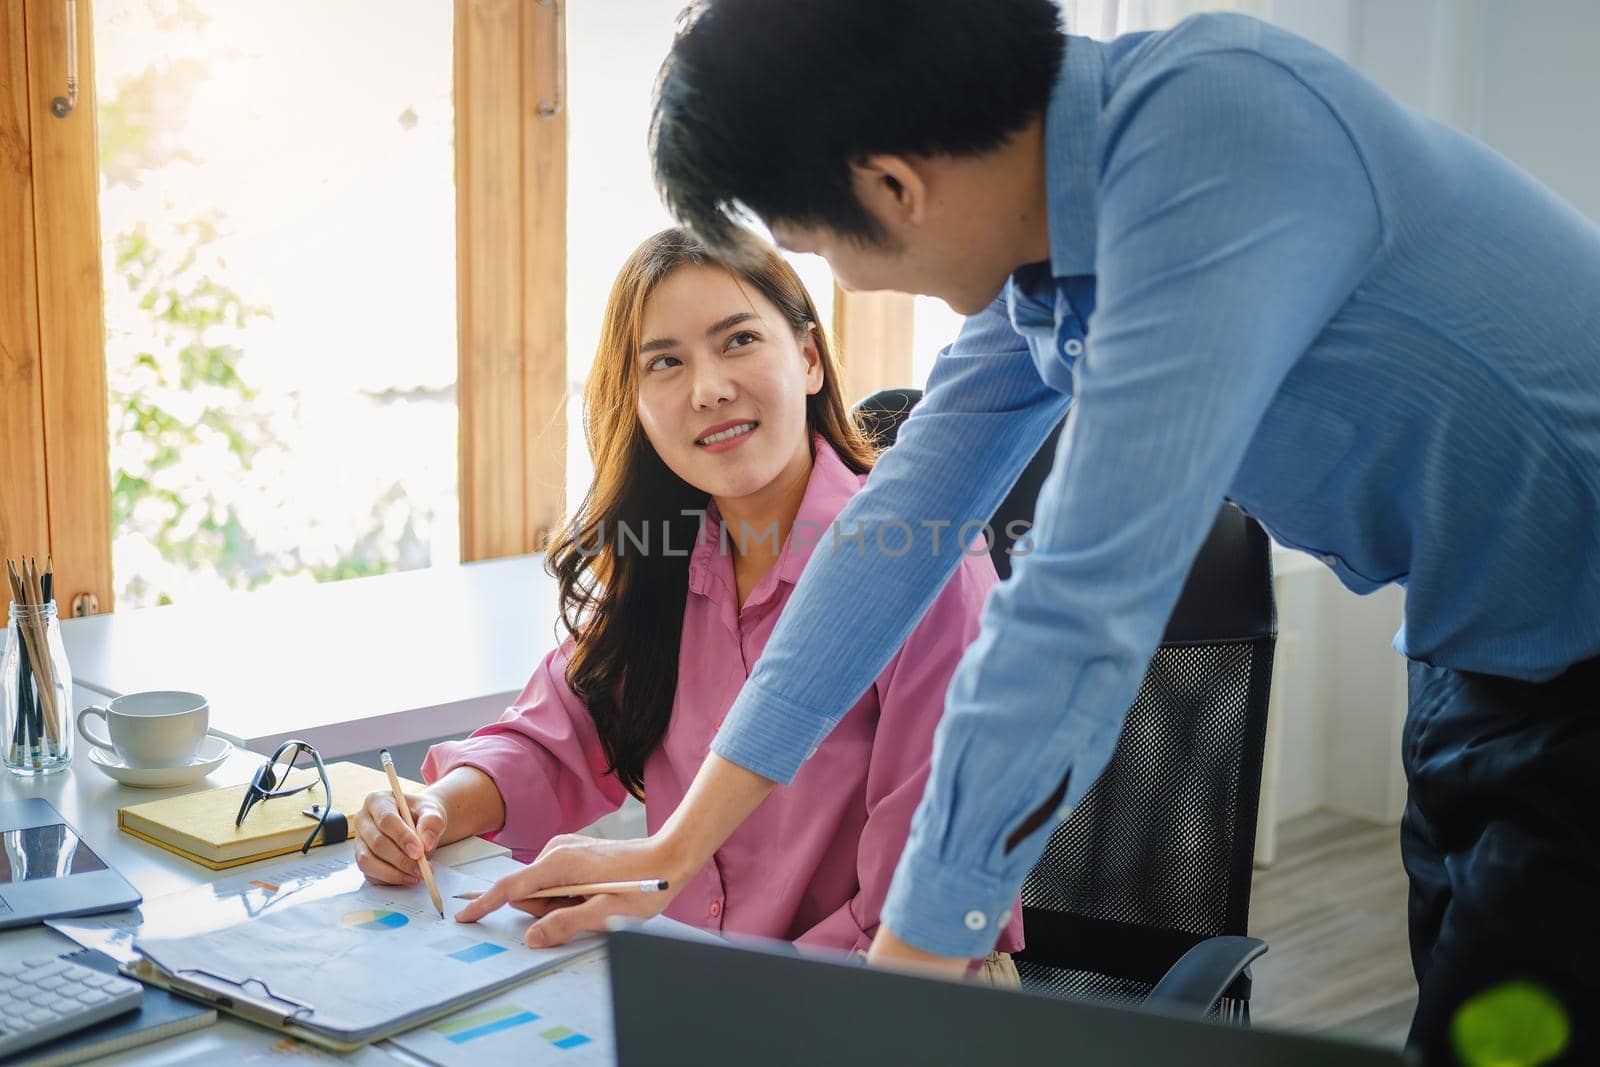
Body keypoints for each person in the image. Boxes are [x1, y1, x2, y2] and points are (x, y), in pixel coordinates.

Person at [458, 2, 1600, 1062]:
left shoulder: (1214, 152)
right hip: (1480, 642)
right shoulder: (1052, 260)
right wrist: (672, 848)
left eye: (816, 246)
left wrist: (896, 984)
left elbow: (1073, 616)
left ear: (894, 186)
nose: (839, 273)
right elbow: (896, 524)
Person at [353, 227, 1024, 981]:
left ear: (808, 358)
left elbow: (922, 897)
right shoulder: (670, 558)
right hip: (705, 992)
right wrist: (434, 809)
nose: (707, 389)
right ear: (636, 404)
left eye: (738, 340)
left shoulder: (924, 560)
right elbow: (558, 738)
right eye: (665, 362)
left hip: (900, 993)